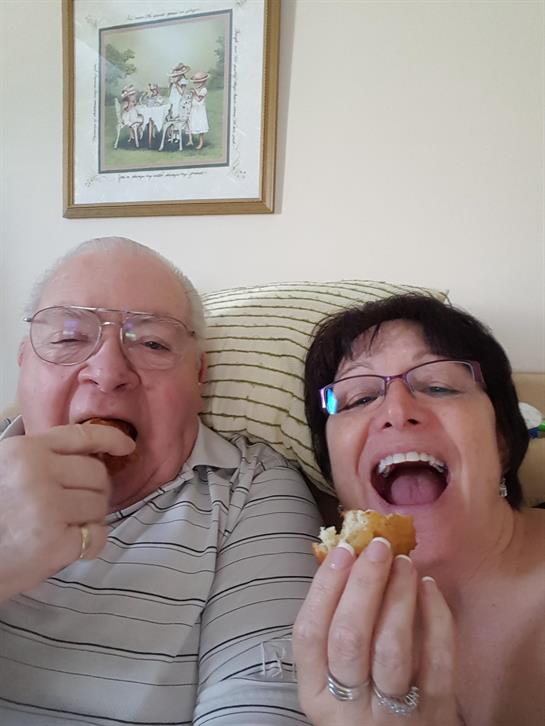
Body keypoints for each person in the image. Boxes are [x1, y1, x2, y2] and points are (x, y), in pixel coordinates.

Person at [0, 236, 321, 725]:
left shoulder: (251, 492)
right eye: (68, 337)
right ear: (24, 360)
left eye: (152, 343)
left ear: (199, 376)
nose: (108, 372)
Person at [293, 294, 545, 726]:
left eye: (439, 386)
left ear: (502, 441)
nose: (396, 411)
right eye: (358, 399)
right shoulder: (293, 607)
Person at [189, 72, 210, 150]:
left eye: (199, 82)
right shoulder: (195, 89)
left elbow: (198, 99)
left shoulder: (204, 90)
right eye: (195, 82)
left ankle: (201, 142)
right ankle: (190, 140)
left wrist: (194, 94)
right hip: (194, 109)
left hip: (200, 110)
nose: (197, 84)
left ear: (203, 82)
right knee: (192, 124)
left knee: (200, 125)